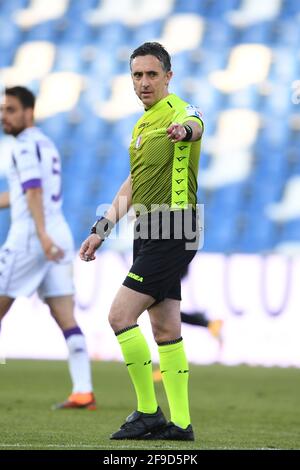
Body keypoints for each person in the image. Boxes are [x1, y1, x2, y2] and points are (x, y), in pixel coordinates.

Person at [80, 42, 203, 441]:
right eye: (137, 75)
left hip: (174, 227)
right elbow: (132, 185)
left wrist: (184, 132)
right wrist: (101, 231)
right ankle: (181, 425)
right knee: (166, 329)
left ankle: (148, 411)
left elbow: (196, 124)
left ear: (169, 75)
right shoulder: (141, 125)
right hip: (147, 231)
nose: (144, 82)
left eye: (152, 74)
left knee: (119, 317)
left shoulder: (180, 111)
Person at [0, 86, 96, 410]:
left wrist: (40, 234)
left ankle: (83, 391)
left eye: (11, 110)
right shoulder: (46, 144)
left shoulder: (23, 146)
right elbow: (22, 193)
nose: (4, 116)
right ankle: (83, 391)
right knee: (66, 317)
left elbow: (33, 191)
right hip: (59, 234)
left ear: (29, 112)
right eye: (3, 110)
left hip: (31, 237)